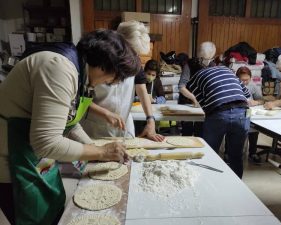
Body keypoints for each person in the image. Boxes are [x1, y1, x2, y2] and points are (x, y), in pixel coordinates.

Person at [0, 30, 140, 225]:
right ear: (103, 67)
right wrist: (99, 152)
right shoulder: (59, 68)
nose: (109, 84)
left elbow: (69, 123)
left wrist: (94, 148)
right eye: (112, 80)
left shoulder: (79, 72)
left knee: (54, 210)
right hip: (13, 161)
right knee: (32, 216)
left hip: (34, 157)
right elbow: (46, 142)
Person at [81, 21, 164, 141]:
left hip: (124, 126)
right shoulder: (96, 63)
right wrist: (105, 113)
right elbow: (79, 100)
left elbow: (142, 91)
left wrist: (150, 120)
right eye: (130, 52)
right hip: (95, 127)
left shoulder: (135, 63)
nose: (132, 58)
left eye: (135, 55)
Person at [187, 66, 251, 178]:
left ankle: (210, 183)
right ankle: (237, 187)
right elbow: (246, 94)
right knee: (236, 155)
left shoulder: (193, 80)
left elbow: (203, 104)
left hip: (219, 113)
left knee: (210, 153)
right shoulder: (228, 70)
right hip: (241, 112)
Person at [178, 42, 216, 136]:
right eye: (202, 58)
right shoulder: (190, 65)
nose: (205, 61)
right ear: (199, 55)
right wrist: (194, 99)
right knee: (187, 131)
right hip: (187, 102)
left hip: (203, 105)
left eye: (208, 59)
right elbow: (181, 86)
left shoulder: (213, 65)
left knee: (201, 131)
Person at [236, 66, 264, 164]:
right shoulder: (233, 84)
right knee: (233, 129)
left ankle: (252, 152)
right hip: (235, 113)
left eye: (246, 80)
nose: (244, 82)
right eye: (242, 80)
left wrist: (256, 102)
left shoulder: (252, 86)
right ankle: (229, 152)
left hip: (249, 112)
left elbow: (262, 100)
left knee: (253, 129)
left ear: (250, 78)